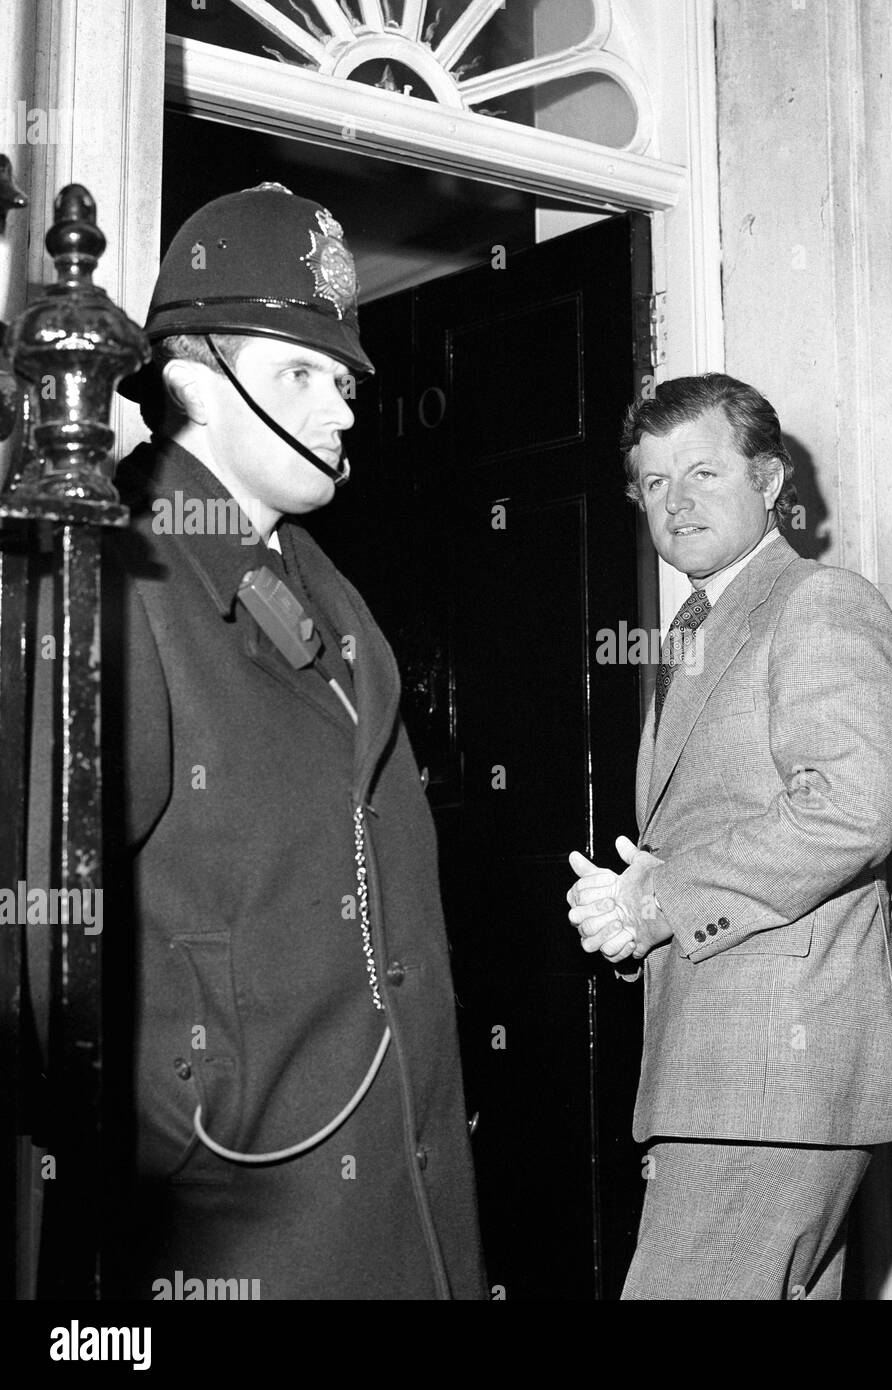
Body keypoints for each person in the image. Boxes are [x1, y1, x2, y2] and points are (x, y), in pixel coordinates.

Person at [30, 183, 484, 1298]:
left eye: (343, 380)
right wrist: (186, 1129)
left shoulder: (333, 600)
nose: (341, 409)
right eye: (302, 374)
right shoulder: (117, 584)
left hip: (393, 1198)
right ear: (192, 379)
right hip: (246, 1231)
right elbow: (47, 952)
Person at [565, 373, 892, 1300]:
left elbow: (848, 808)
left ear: (769, 482)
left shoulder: (819, 603)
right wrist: (632, 905)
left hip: (772, 1083)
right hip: (735, 1079)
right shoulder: (698, 629)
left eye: (703, 472)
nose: (674, 502)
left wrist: (655, 899)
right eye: (652, 482)